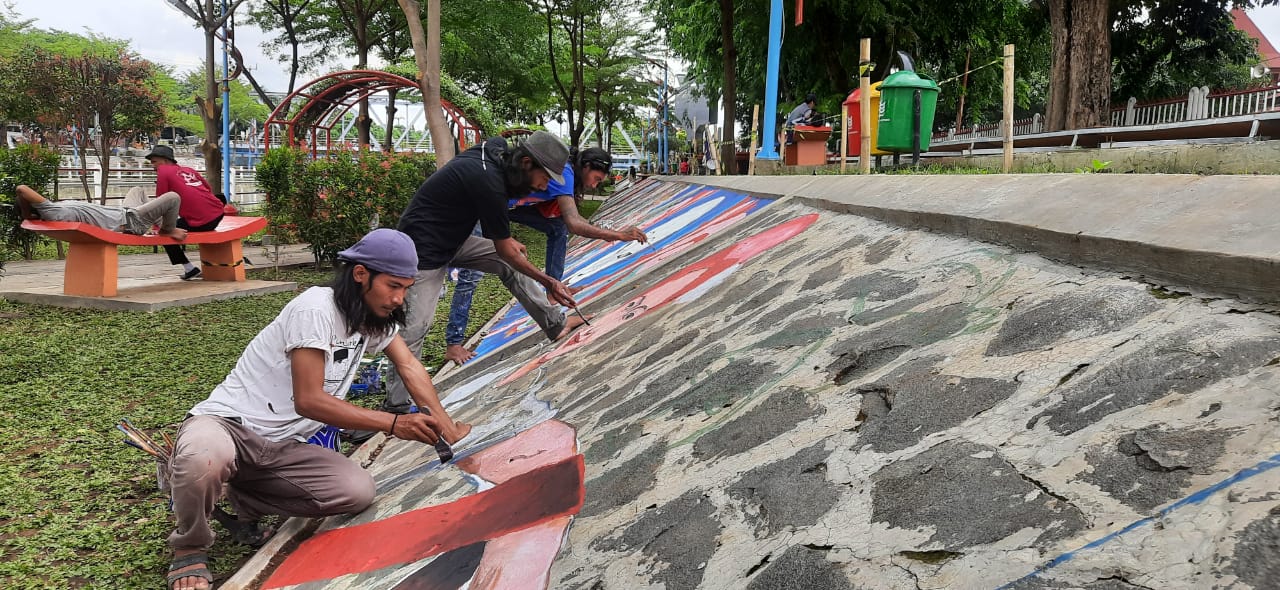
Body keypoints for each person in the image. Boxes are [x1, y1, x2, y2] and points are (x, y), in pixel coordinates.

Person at [164, 228, 471, 590]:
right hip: (228, 424)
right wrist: (393, 423)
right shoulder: (315, 308)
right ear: (361, 274)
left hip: (284, 445)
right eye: (393, 286)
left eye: (406, 288)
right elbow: (308, 400)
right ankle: (189, 547)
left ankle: (242, 495)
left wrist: (446, 424)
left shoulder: (371, 316)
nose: (399, 299)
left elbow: (408, 365)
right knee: (203, 458)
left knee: (356, 491)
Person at [386, 131, 586, 413]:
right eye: (545, 178)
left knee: (511, 261)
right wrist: (549, 281)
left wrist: (510, 250)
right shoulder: (489, 182)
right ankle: (396, 405)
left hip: (454, 238)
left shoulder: (495, 154)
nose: (544, 187)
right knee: (415, 326)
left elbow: (506, 250)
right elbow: (506, 251)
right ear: (526, 163)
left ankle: (555, 324)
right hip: (423, 250)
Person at [442, 147, 648, 365]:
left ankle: (553, 292)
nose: (594, 185)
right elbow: (575, 223)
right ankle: (454, 344)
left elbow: (572, 220)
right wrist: (617, 235)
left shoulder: (566, 177)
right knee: (472, 274)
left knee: (557, 229)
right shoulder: (565, 174)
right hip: (482, 207)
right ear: (585, 166)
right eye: (596, 179)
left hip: (509, 206)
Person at [144, 145, 225, 281]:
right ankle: (190, 268)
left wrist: (158, 228)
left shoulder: (163, 171)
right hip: (217, 213)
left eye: (154, 162)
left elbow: (160, 202)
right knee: (173, 227)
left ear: (164, 160)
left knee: (164, 234)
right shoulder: (189, 170)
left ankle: (189, 268)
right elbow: (207, 188)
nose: (153, 166)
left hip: (202, 221)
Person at [14, 184, 188, 240]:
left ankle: (159, 223)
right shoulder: (51, 212)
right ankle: (168, 229)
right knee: (173, 197)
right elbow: (21, 188)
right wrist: (27, 214)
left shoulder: (53, 209)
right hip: (131, 221)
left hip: (126, 212)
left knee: (138, 191)